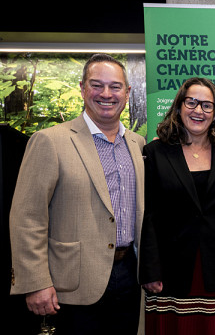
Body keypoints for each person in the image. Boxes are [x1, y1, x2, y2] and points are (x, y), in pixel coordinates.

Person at [9, 53, 145, 334]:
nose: (106, 94)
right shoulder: (50, 141)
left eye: (115, 86)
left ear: (127, 92)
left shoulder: (137, 144)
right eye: (97, 85)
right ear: (83, 88)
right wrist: (35, 282)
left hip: (130, 276)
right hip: (73, 283)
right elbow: (27, 217)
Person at [139, 77, 215, 335]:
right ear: (179, 106)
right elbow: (148, 215)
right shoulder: (155, 153)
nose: (198, 110)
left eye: (207, 105)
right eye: (191, 102)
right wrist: (150, 269)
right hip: (170, 269)